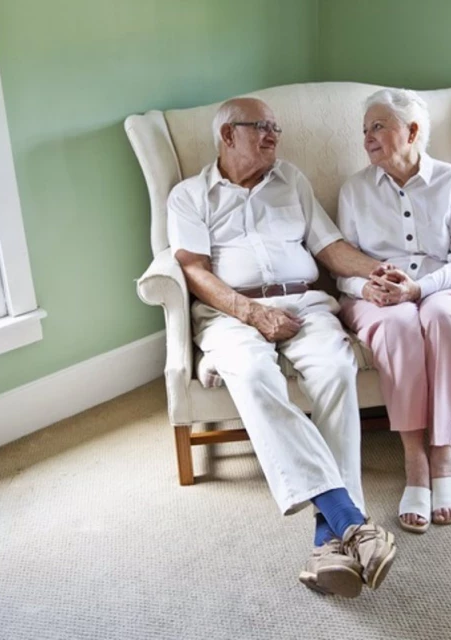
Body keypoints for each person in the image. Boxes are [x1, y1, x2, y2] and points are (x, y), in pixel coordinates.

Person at [167, 96, 396, 597]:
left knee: (336, 370)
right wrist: (251, 313)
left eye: (276, 128)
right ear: (227, 136)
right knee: (251, 374)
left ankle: (329, 541)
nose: (273, 136)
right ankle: (351, 522)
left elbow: (328, 247)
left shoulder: (292, 180)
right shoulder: (189, 195)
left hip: (306, 303)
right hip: (232, 313)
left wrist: (377, 272)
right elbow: (193, 270)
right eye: (261, 127)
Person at [336, 88, 451, 534]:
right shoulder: (354, 189)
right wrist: (366, 287)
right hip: (379, 298)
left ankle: (443, 452)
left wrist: (420, 288)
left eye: (379, 126)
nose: (367, 137)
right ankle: (414, 458)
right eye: (365, 129)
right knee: (401, 326)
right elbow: (341, 264)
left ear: (414, 131)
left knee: (439, 317)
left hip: (450, 285)